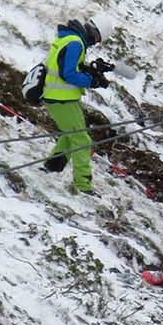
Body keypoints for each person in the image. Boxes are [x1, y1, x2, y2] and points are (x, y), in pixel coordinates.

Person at [41, 18, 112, 194]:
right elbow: (69, 73)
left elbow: (64, 65)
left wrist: (91, 69)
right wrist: (92, 81)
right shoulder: (76, 43)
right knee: (82, 140)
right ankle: (83, 186)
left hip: (60, 96)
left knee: (72, 134)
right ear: (95, 34)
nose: (95, 44)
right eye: (97, 40)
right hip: (60, 98)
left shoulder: (70, 38)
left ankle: (52, 167)